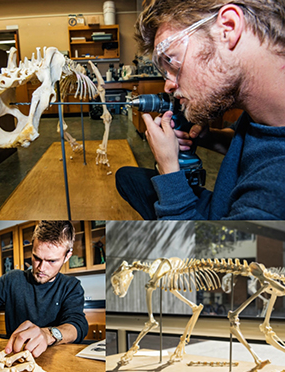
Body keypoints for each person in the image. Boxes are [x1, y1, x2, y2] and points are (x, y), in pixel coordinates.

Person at [116, 0, 285, 220]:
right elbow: (256, 144)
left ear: (229, 27)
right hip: (222, 203)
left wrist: (168, 168)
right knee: (127, 177)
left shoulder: (273, 197)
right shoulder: (264, 106)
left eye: (172, 59)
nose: (168, 85)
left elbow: (198, 254)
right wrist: (207, 138)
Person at [0, 221, 88, 358]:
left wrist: (48, 335)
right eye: (36, 258)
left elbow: (78, 325)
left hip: (56, 360)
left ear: (67, 257)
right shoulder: (12, 280)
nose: (41, 268)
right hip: (15, 357)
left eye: (51, 261)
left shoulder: (71, 287)